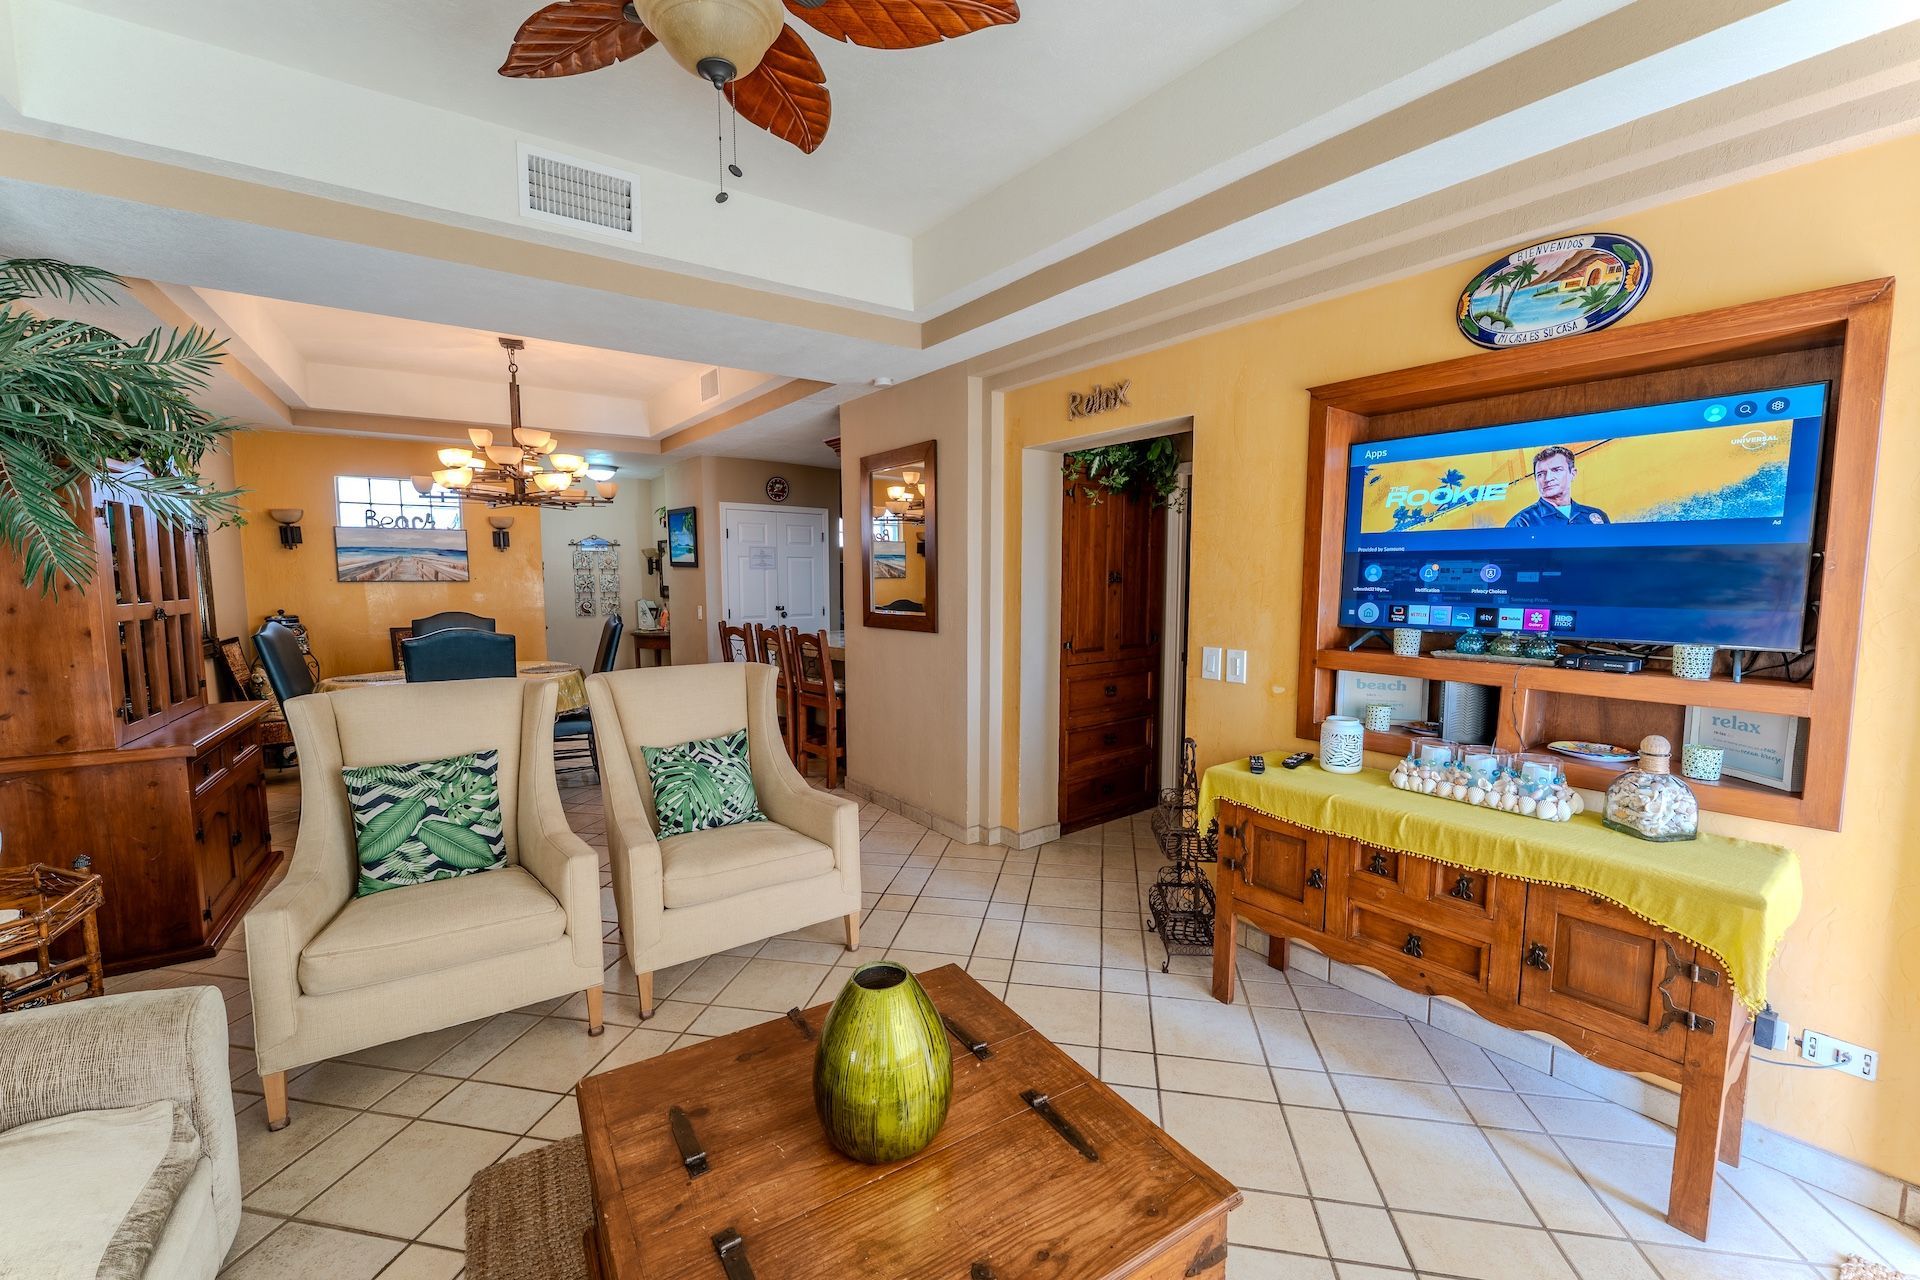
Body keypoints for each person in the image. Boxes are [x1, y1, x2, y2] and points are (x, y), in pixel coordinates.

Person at [1506, 445, 1610, 527]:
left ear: (1572, 474)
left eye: (1556, 470)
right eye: (1541, 474)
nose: (1548, 479)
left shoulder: (1597, 516)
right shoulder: (1522, 522)